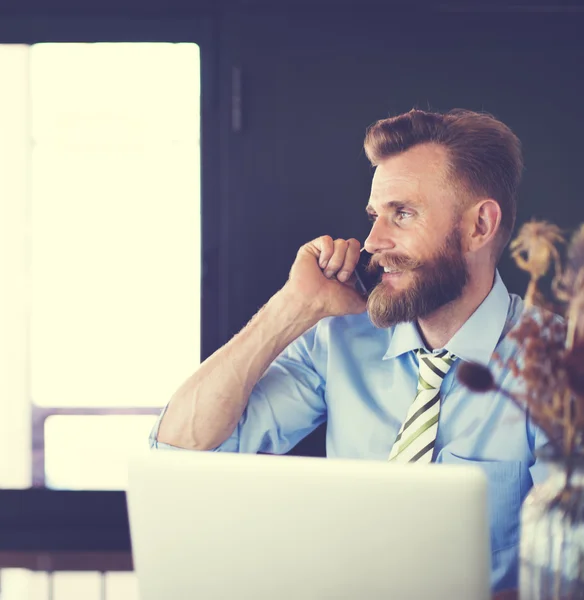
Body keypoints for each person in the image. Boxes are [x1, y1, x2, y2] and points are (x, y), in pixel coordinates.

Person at [149, 108, 549, 595]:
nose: (374, 241)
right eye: (374, 216)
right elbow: (180, 451)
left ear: (479, 226)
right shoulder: (338, 341)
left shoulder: (561, 370)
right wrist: (292, 307)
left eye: (402, 213)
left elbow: (575, 570)